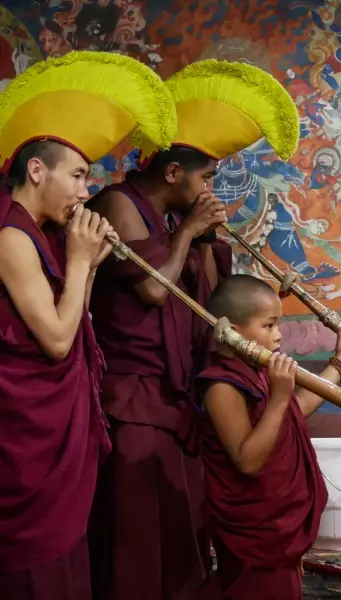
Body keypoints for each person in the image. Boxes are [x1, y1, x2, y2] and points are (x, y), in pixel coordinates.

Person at [87, 59, 302, 600]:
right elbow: (153, 290)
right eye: (205, 177)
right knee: (137, 539)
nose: (213, 187)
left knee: (184, 537)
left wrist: (212, 245)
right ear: (173, 174)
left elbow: (211, 311)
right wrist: (187, 233)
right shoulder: (119, 202)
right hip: (133, 402)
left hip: (181, 403)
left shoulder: (173, 224)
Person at [0, 50, 177, 600]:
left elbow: (75, 321)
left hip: (59, 431)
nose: (84, 190)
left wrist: (89, 264)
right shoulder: (10, 235)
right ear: (36, 170)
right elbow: (54, 342)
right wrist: (80, 262)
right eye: (77, 175)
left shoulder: (45, 234)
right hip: (26, 440)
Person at [196, 275, 341, 600]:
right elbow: (248, 460)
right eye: (269, 325)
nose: (278, 336)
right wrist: (281, 397)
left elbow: (292, 413)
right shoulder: (221, 387)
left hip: (276, 539)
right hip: (256, 536)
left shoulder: (256, 373)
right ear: (230, 328)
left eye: (278, 325)